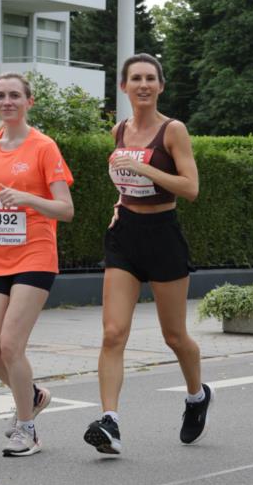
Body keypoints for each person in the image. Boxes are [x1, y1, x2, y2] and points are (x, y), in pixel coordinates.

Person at [84, 54, 211, 456]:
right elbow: (124, 183)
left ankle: (196, 396)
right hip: (124, 236)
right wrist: (117, 208)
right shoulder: (119, 130)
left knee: (174, 336)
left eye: (150, 79)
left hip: (163, 236)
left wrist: (147, 171)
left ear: (160, 86)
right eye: (135, 78)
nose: (143, 85)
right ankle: (110, 422)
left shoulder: (173, 131)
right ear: (123, 87)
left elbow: (190, 188)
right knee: (112, 332)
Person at [0, 72, 74, 457]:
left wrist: (27, 197)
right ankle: (34, 394)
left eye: (14, 95)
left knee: (10, 345)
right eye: (0, 95)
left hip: (34, 254)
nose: (7, 101)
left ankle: (27, 428)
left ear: (29, 102)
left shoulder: (44, 147)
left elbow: (66, 208)